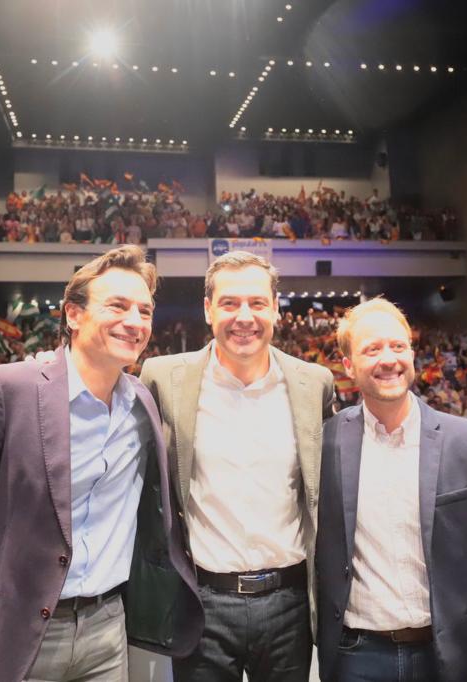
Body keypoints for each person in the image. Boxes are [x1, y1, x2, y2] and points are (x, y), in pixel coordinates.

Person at [0, 245, 202, 682]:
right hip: (14, 627)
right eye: (117, 306)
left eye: (145, 310)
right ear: (73, 315)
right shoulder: (6, 391)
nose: (135, 322)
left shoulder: (142, 403)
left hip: (107, 628)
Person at [316, 298, 467, 682]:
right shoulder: (323, 443)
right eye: (372, 349)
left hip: (448, 652)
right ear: (348, 366)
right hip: (356, 657)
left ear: (412, 353)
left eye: (398, 346)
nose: (389, 359)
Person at [140, 251, 334, 682]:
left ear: (276, 310)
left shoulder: (313, 383)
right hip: (202, 600)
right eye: (229, 303)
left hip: (289, 604)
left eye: (257, 303)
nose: (244, 316)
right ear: (208, 309)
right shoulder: (162, 379)